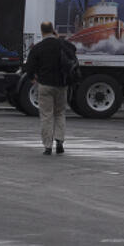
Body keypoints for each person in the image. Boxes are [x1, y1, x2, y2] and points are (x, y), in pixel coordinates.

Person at [21, 21, 75, 155]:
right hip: (61, 85)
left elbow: (29, 67)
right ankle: (60, 141)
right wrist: (58, 38)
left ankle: (48, 146)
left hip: (45, 85)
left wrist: (33, 78)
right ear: (53, 30)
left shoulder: (38, 47)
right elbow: (72, 51)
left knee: (46, 115)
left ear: (41, 31)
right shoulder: (61, 45)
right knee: (60, 113)